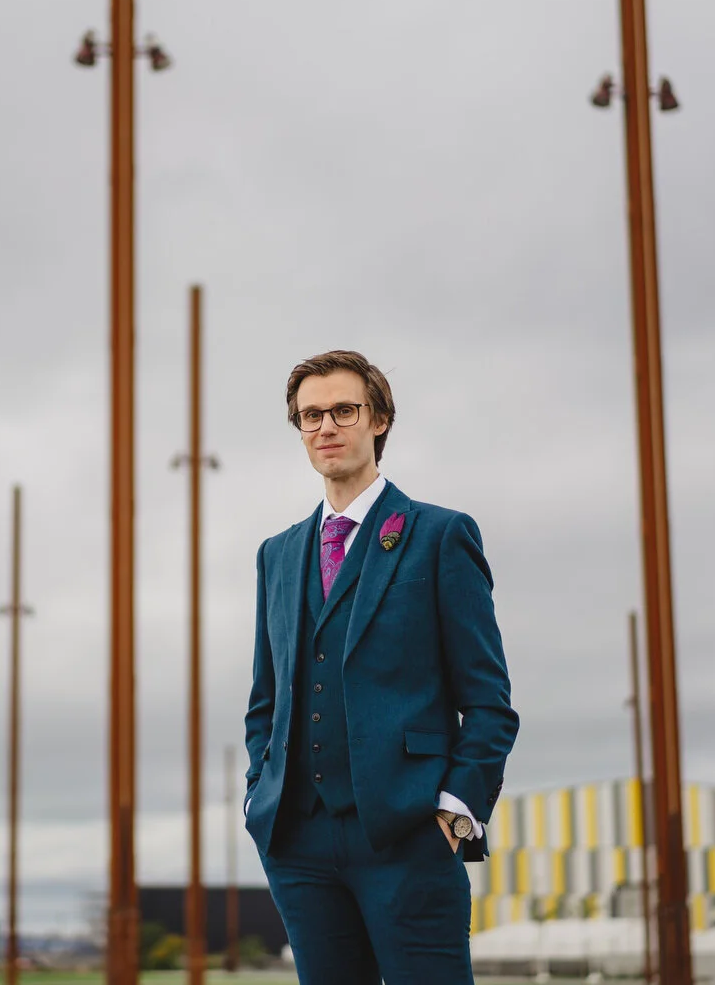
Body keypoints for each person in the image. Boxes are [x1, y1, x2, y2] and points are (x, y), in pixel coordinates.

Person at [243, 350, 519, 985]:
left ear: (380, 420)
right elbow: (268, 696)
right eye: (310, 416)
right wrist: (261, 791)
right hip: (299, 843)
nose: (326, 427)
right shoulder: (277, 555)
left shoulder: (440, 535)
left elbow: (489, 701)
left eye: (344, 409)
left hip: (409, 834)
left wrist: (454, 810)